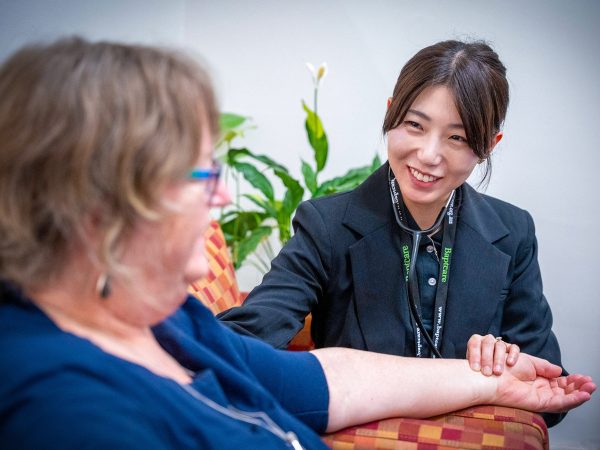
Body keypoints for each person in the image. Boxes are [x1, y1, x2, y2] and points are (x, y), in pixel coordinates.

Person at [0, 38, 594, 449]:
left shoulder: (167, 318)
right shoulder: (64, 406)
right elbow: (257, 331)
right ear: (101, 204)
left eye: (458, 138)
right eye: (202, 175)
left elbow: (324, 379)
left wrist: (492, 378)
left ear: (487, 145)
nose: (226, 200)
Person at [217, 40, 567, 426]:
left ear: (488, 145)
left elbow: (552, 393)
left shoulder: (513, 233)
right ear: (391, 114)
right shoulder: (327, 226)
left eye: (458, 138)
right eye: (415, 125)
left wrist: (507, 359)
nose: (429, 155)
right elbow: (237, 348)